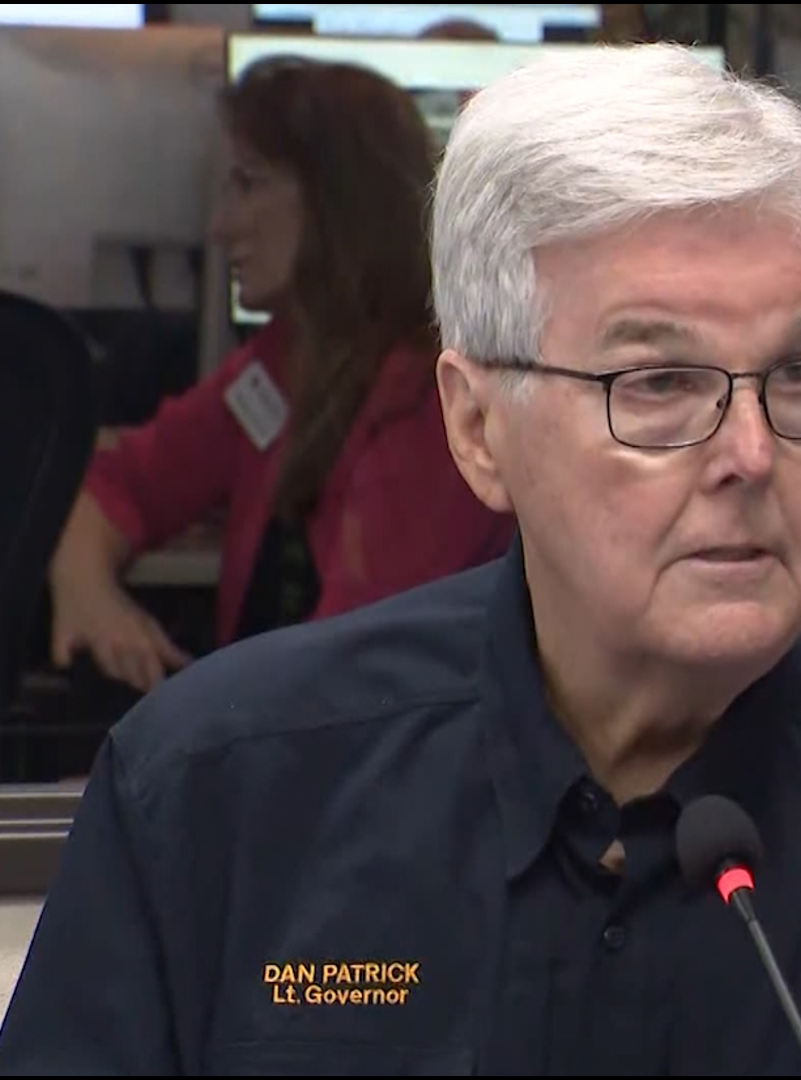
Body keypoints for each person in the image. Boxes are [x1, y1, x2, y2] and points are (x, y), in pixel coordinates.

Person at [0, 44, 801, 1075]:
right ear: (479, 429)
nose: (751, 451)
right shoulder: (220, 791)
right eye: (658, 383)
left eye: (798, 374)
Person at [46, 56, 513, 693]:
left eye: (248, 183)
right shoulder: (281, 365)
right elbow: (122, 484)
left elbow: (350, 677)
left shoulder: (434, 404)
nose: (220, 226)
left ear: (337, 200)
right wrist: (92, 595)